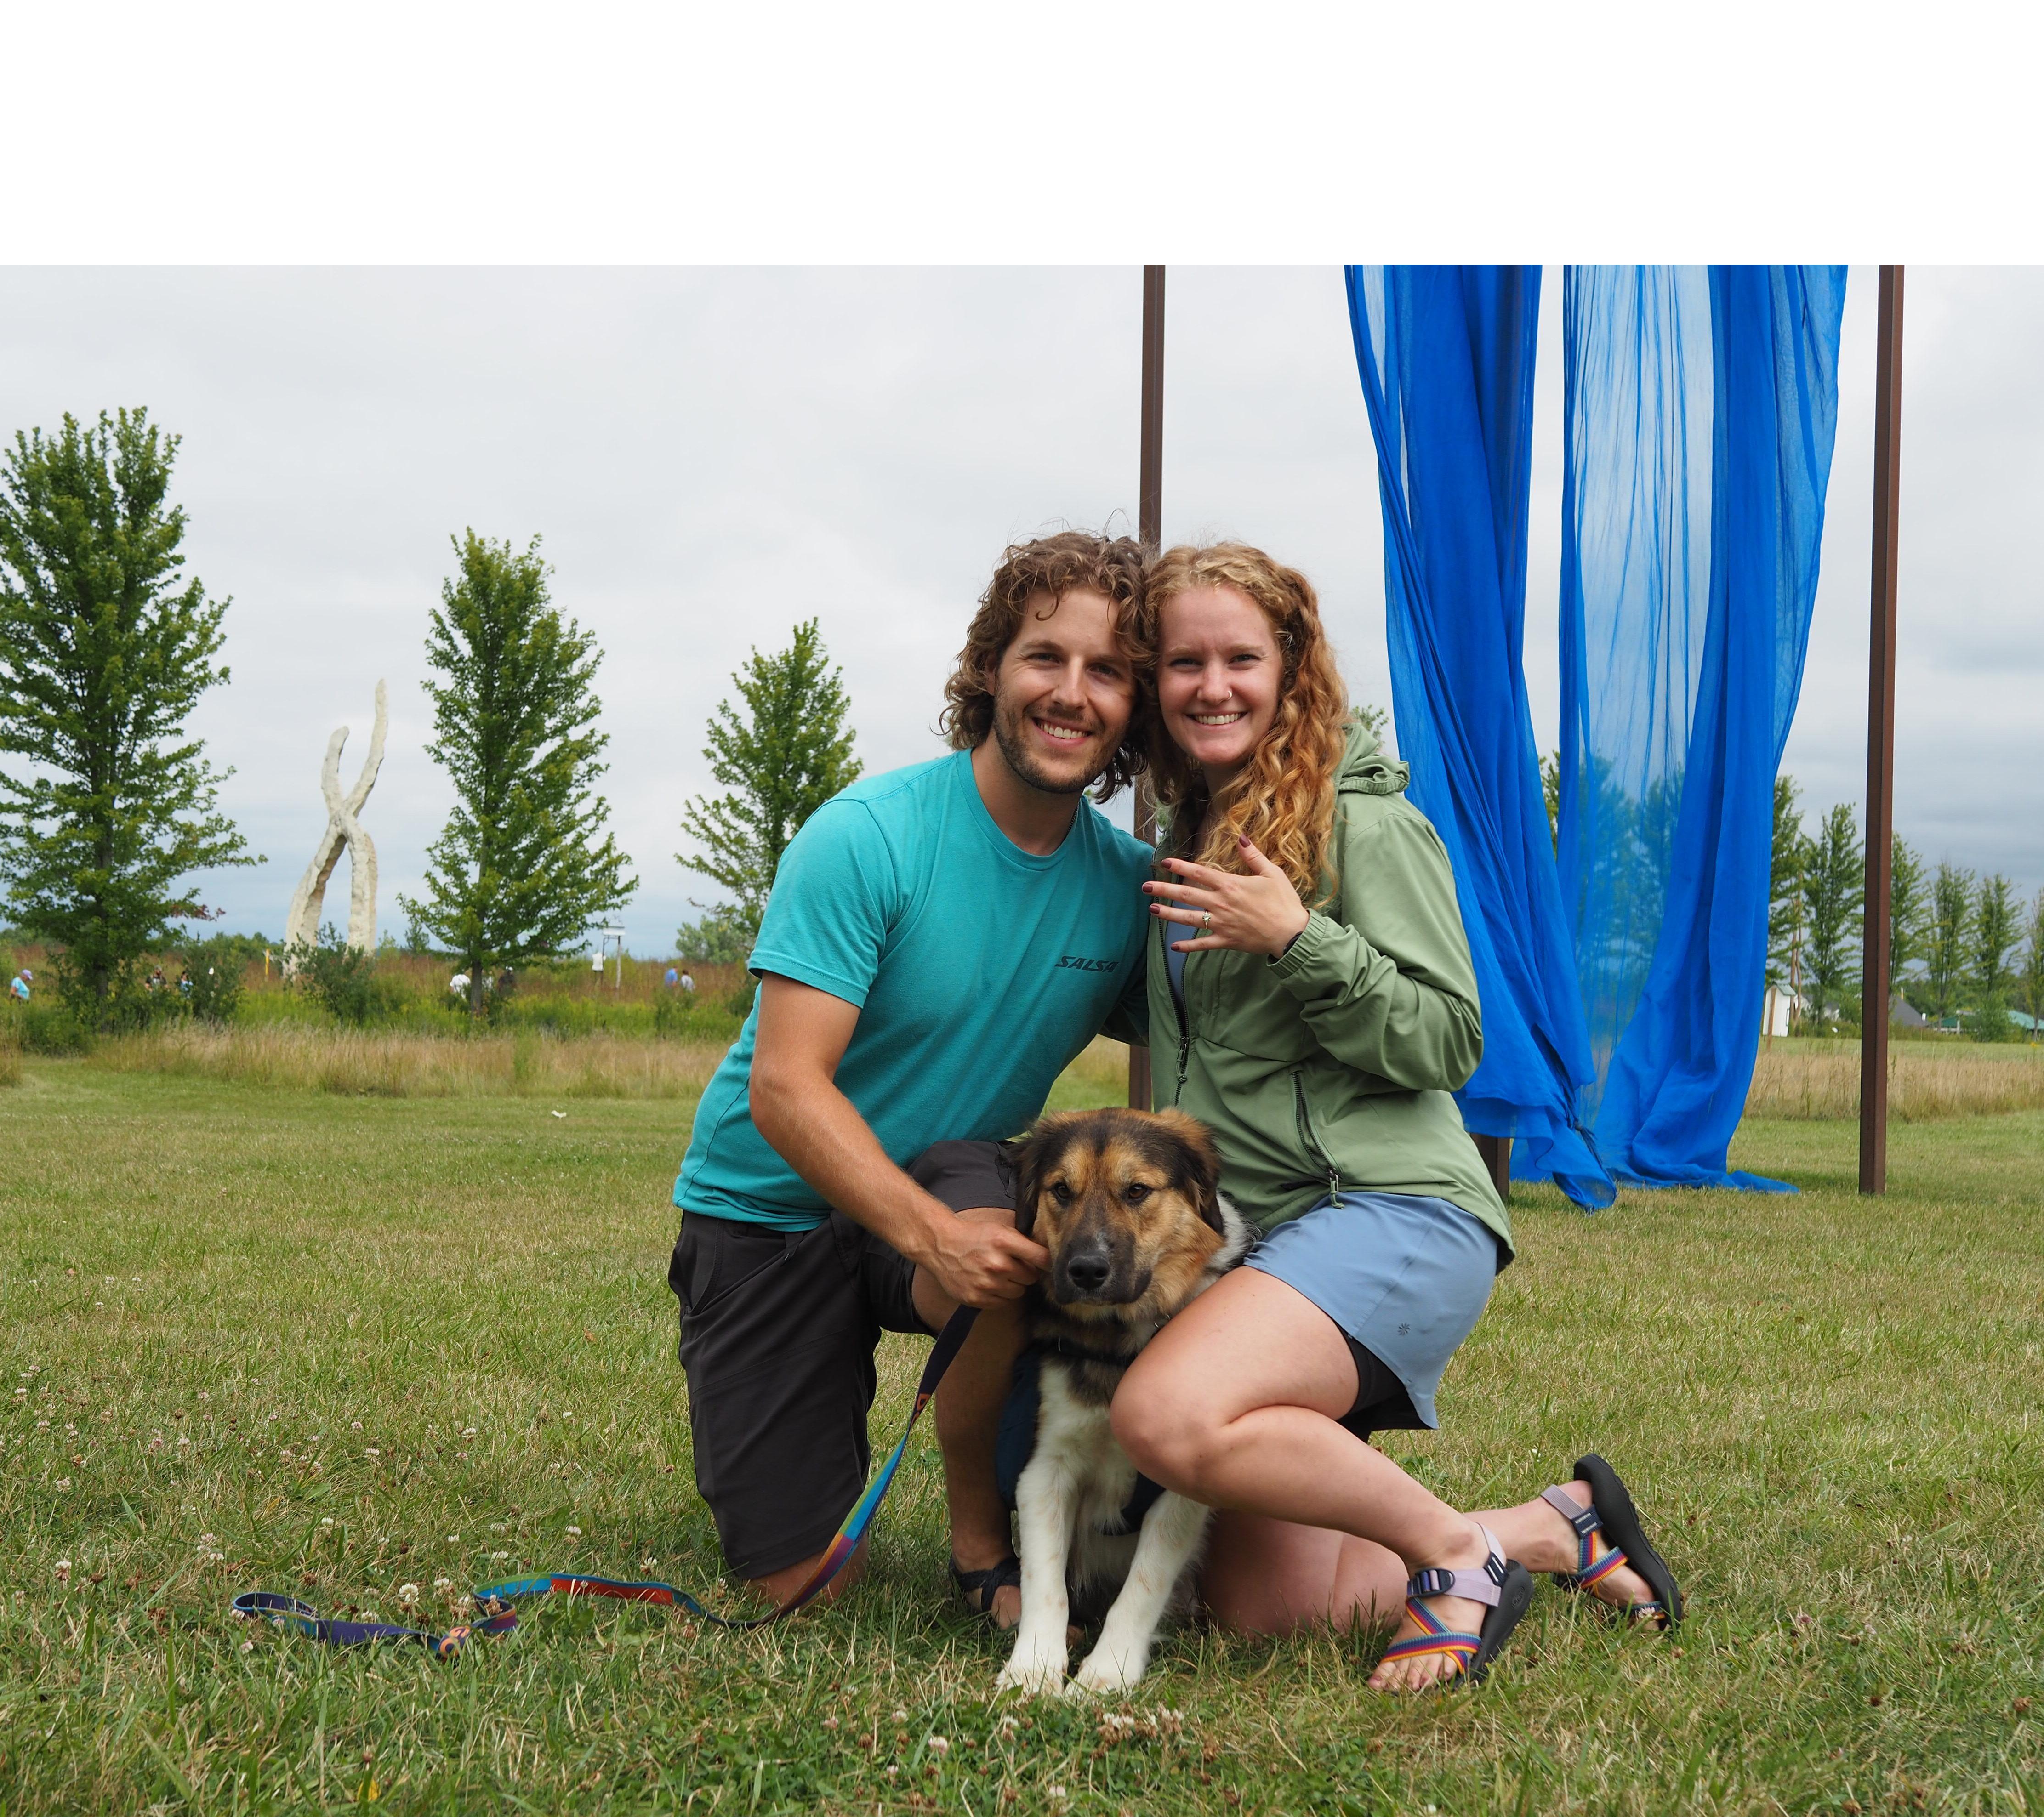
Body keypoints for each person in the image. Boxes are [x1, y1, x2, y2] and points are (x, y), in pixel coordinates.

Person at [1110, 543, 1679, 1692]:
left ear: (1293, 669)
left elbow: (1449, 1039)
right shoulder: (1188, 840)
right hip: (1264, 1238)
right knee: (1274, 1611)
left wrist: (1299, 941)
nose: (1212, 685)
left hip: (1392, 1211)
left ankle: (1454, 1562)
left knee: (1165, 1416)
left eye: (1240, 658)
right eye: (1184, 663)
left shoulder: (1363, 823)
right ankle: (1551, 1531)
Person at [669, 531, 1156, 1623]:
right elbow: (787, 1089)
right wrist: (930, 1235)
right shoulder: (867, 838)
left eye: (1110, 671)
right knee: (799, 1586)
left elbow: (1192, 1062)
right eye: (1045, 657)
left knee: (1023, 1241)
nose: (1071, 694)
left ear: (1134, 708)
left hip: (953, 1180)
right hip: (770, 1211)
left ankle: (981, 1539)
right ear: (991, 667)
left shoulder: (1129, 892)